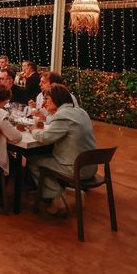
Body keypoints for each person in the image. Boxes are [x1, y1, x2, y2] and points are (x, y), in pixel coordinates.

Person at [27, 84, 97, 216]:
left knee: (33, 160)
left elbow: (45, 137)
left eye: (46, 99)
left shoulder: (62, 116)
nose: (43, 104)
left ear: (56, 99)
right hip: (90, 166)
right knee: (46, 156)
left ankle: (57, 198)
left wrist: (32, 129)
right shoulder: (81, 111)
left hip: (76, 168)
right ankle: (61, 192)